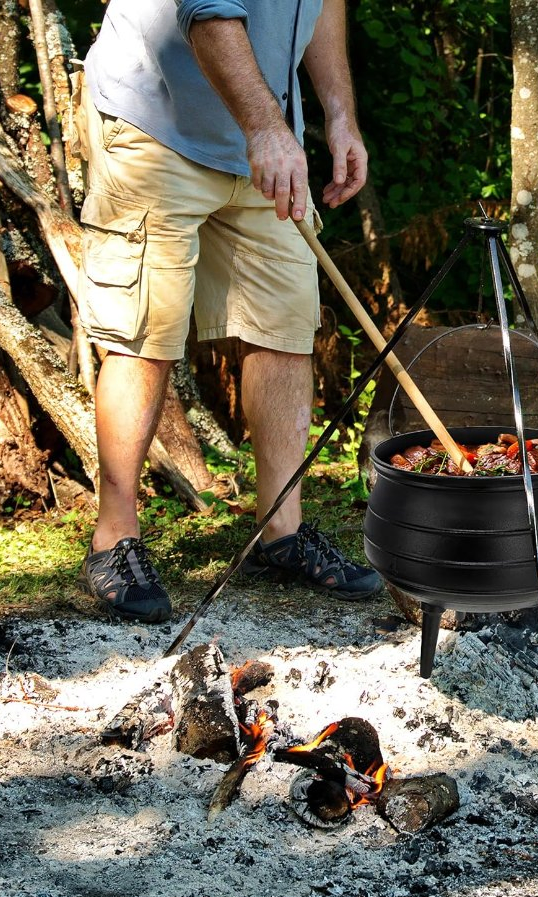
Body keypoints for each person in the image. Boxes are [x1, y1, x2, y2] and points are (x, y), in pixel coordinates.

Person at [74, 0, 382, 622]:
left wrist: (340, 116)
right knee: (146, 330)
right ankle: (114, 537)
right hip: (156, 125)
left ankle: (282, 530)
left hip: (261, 137)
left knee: (286, 324)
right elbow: (207, 10)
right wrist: (268, 128)